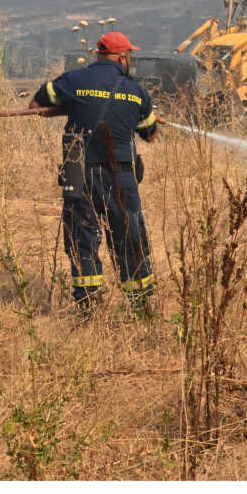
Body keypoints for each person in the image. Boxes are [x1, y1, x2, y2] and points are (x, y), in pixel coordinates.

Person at [30, 31, 159, 315]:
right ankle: (140, 307)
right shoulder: (136, 91)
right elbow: (149, 133)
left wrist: (69, 107)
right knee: (129, 237)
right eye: (130, 56)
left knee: (81, 237)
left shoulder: (73, 81)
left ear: (98, 55)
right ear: (123, 57)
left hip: (78, 172)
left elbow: (37, 106)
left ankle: (86, 305)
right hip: (120, 175)